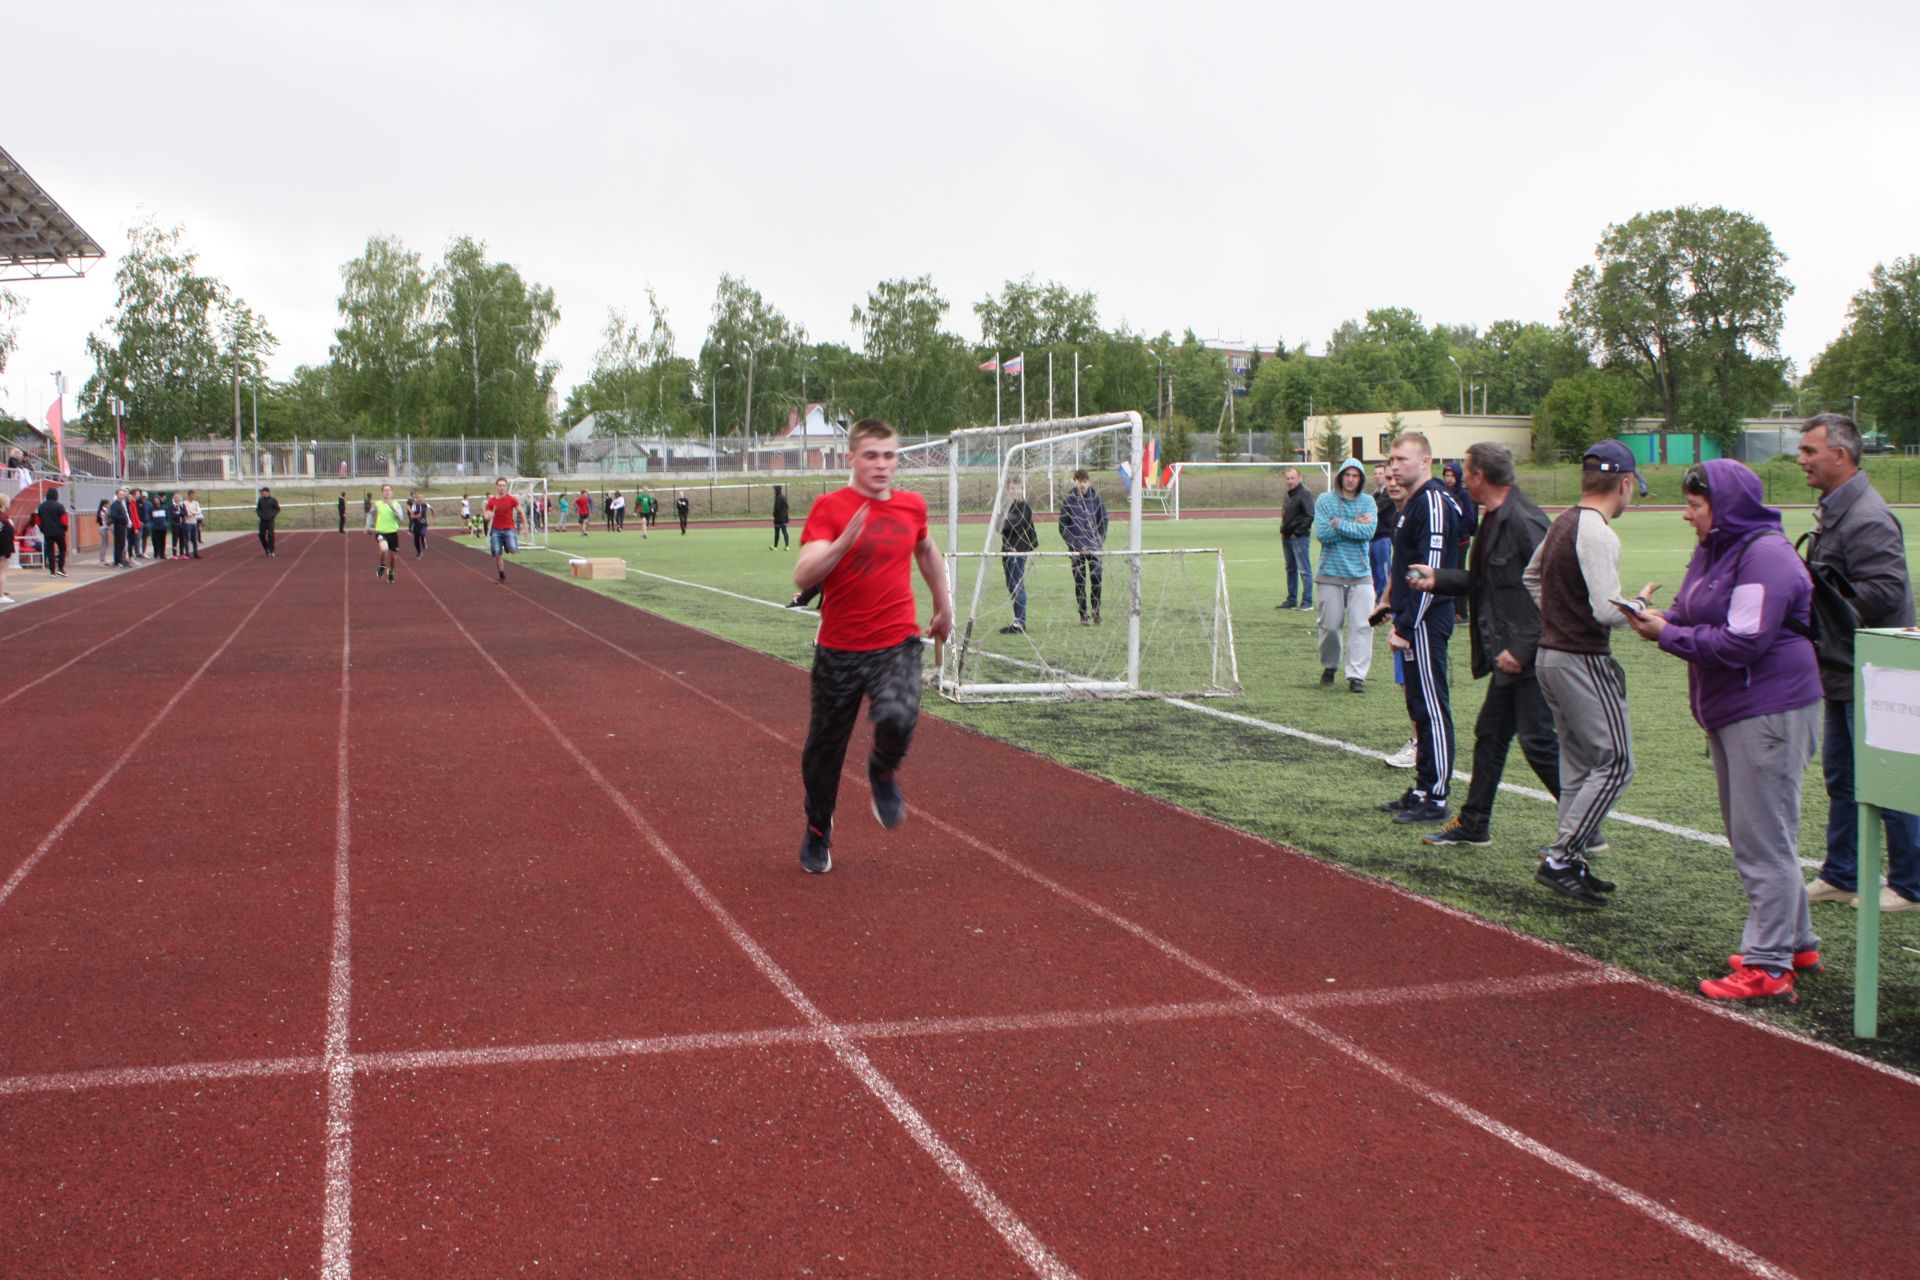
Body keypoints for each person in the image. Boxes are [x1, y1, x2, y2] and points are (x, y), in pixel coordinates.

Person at [1622, 460, 1824, 999]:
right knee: (1756, 833)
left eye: (1695, 504)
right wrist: (1660, 618)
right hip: (1738, 708)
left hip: (1769, 708)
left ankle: (1769, 965)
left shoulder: (1764, 554)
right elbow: (1698, 614)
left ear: (1725, 505)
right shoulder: (1721, 548)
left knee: (1762, 840)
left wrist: (1666, 635)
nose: (1687, 514)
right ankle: (1794, 941)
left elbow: (1743, 642)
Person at [793, 418, 953, 874]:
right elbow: (803, 575)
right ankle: (818, 830)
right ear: (851, 459)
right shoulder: (831, 507)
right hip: (839, 649)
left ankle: (882, 771)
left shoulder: (911, 507)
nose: (881, 465)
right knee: (823, 752)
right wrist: (843, 542)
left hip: (895, 641)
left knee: (899, 715)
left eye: (889, 455)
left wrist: (943, 607)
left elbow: (925, 550)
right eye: (871, 455)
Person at [1407, 442, 1560, 849]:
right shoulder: (1492, 517)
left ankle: (1584, 825)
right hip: (1508, 655)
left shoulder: (1526, 522)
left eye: (1466, 472)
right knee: (1490, 735)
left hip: (1528, 655)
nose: (1459, 477)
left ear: (1479, 477)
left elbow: (1552, 595)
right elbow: (1483, 583)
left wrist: (1523, 648)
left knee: (1539, 743)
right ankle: (1475, 823)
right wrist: (1438, 578)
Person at [1796, 412, 1919, 911]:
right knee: (1843, 777)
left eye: (1809, 451)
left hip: (1874, 671)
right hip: (1847, 666)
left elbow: (1887, 591)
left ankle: (1912, 883)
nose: (1801, 460)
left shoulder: (1865, 515)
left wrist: (1823, 600)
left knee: (1884, 776)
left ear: (1840, 456)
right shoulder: (1839, 508)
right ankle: (1843, 872)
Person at [1523, 439, 1649, 904]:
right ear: (1625, 484)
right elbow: (1603, 610)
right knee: (1616, 762)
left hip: (1549, 657)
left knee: (1577, 765)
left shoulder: (1562, 523)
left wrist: (1556, 616)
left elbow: (1529, 578)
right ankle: (1561, 857)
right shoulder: (1599, 532)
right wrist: (1638, 605)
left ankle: (1569, 862)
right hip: (1582, 660)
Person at [1373, 433, 1465, 824]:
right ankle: (1424, 786)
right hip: (1414, 618)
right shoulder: (1411, 505)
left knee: (1431, 706)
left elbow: (1428, 573)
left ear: (1425, 460)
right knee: (1418, 705)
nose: (1393, 466)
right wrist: (1390, 604)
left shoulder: (1432, 502)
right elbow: (1405, 567)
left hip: (1427, 620)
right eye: (1391, 459)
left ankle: (1438, 796)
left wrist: (1408, 625)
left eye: (1401, 459)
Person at [1312, 459, 1376, 691]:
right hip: (1330, 573)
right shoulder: (1325, 500)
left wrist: (1339, 524)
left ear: (1361, 479)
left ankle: (1356, 676)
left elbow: (1368, 532)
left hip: (1361, 575)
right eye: (1347, 474)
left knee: (1362, 625)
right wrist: (1352, 527)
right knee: (1329, 626)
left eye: (1355, 475)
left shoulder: (1368, 502)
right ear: (1340, 476)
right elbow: (1323, 534)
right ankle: (1330, 666)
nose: (1350, 479)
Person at [1059, 468, 1108, 625]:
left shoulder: (1097, 500)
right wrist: (1074, 545)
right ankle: (1082, 614)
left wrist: (1098, 542)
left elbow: (1103, 521)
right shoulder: (1068, 501)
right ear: (1075, 482)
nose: (1082, 484)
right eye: (1079, 481)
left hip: (1094, 548)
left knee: (1097, 578)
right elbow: (1063, 526)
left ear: (1089, 481)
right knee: (1080, 581)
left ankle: (1096, 610)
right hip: (1076, 550)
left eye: (1085, 481)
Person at [998, 475, 1038, 634]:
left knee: (1017, 585)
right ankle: (1017, 621)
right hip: (1007, 549)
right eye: (1012, 488)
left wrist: (1004, 522)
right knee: (1011, 585)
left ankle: (1020, 622)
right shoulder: (1007, 506)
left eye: (1018, 488)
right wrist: (1003, 522)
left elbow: (1016, 524)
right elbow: (997, 527)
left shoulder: (1024, 506)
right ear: (1008, 489)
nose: (1015, 491)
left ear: (1022, 489)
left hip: (1018, 550)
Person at [1279, 467, 1315, 610]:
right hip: (1286, 536)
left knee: (1304, 569)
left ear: (1300, 478)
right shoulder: (1288, 495)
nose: (1290, 481)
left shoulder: (1304, 494)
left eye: (1293, 478)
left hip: (1299, 538)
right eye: (1288, 478)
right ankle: (1291, 599)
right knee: (1291, 569)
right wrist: (1283, 529)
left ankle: (1307, 601)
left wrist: (1298, 532)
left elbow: (1310, 515)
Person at [484, 476, 520, 583]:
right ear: (496, 487)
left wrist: (526, 527)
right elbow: (486, 515)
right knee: (497, 554)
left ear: (506, 487)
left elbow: (521, 512)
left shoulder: (511, 499)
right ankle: (501, 575)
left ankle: (508, 546)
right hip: (496, 530)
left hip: (509, 528)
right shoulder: (492, 501)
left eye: (503, 485)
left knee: (513, 549)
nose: (502, 488)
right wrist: (489, 515)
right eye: (500, 485)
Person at [370, 482, 408, 583]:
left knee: (394, 557)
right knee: (384, 549)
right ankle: (382, 565)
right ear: (382, 492)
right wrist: (368, 525)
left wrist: (392, 507)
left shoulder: (396, 504)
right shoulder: (378, 504)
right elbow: (371, 514)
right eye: (385, 490)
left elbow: (401, 518)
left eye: (389, 490)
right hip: (381, 532)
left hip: (393, 533)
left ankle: (391, 572)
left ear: (392, 492)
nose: (387, 492)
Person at [1369, 465, 1395, 597]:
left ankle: (1386, 599)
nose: (1378, 476)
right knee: (1373, 571)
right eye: (1375, 473)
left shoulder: (1388, 493)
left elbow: (1374, 509)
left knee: (1383, 570)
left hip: (1383, 537)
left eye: (1381, 473)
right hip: (1372, 538)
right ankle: (1377, 597)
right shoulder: (1375, 493)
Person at [34, 485, 70, 577]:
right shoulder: (60, 506)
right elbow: (64, 520)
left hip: (47, 532)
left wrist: (42, 529)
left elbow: (38, 520)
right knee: (62, 549)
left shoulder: (41, 507)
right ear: (56, 495)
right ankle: (61, 568)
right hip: (59, 532)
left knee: (50, 550)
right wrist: (64, 529)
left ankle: (52, 571)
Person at [1444, 460, 1479, 543]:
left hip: (1461, 540)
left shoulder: (1464, 494)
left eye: (1452, 476)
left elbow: (1469, 518)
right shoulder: (1443, 492)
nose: (1449, 478)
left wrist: (1456, 531)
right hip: (1447, 540)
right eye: (1447, 475)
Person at [107, 487, 131, 567]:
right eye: (120, 495)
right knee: (119, 544)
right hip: (118, 526)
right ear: (117, 495)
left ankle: (120, 559)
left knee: (122, 543)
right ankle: (117, 561)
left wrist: (126, 520)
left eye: (123, 495)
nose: (122, 496)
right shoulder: (115, 505)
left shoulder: (121, 504)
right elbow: (114, 515)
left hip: (123, 526)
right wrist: (122, 518)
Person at [255, 486, 280, 558]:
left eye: (263, 492)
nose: (262, 493)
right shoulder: (260, 500)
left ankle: (271, 550)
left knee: (270, 535)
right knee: (261, 535)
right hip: (262, 521)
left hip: (270, 521)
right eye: (261, 492)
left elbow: (277, 509)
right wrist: (260, 515)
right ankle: (266, 548)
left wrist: (272, 515)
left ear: (267, 492)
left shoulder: (273, 500)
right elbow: (258, 509)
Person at [148, 489, 171, 561]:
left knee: (162, 541)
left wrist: (166, 523)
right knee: (155, 540)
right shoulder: (152, 509)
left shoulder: (164, 508)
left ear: (159, 500)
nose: (156, 501)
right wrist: (152, 524)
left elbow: (167, 516)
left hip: (162, 527)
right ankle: (156, 552)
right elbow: (150, 517)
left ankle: (162, 553)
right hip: (155, 527)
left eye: (157, 500)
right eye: (154, 500)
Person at [408, 490, 433, 558]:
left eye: (422, 497)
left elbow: (432, 509)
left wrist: (434, 517)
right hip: (416, 525)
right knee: (416, 539)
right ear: (417, 499)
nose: (421, 499)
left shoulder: (426, 505)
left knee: (422, 534)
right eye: (419, 497)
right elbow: (411, 516)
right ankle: (419, 552)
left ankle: (423, 542)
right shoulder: (414, 506)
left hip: (424, 524)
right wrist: (416, 516)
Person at [168, 491, 190, 559]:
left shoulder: (182, 505)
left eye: (179, 497)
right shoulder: (171, 505)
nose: (178, 499)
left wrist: (179, 513)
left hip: (183, 524)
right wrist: (180, 513)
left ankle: (182, 553)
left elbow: (185, 513)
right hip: (175, 524)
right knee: (175, 539)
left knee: (182, 539)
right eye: (176, 498)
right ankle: (174, 554)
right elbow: (173, 515)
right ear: (174, 498)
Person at [0, 499, 14, 603]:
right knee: (2, 571)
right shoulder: (5, 519)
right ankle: (1, 595)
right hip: (3, 548)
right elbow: (9, 533)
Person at [185, 490, 204, 558]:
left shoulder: (196, 503)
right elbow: (187, 512)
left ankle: (196, 553)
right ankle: (187, 553)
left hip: (194, 522)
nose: (193, 497)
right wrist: (193, 512)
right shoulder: (185, 503)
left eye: (194, 495)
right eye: (191, 495)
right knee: (187, 538)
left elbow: (199, 512)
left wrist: (192, 513)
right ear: (189, 495)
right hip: (187, 523)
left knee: (195, 539)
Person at [771, 484, 790, 549]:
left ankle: (775, 546)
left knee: (777, 532)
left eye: (774, 490)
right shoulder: (784, 497)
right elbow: (787, 507)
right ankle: (787, 546)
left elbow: (777, 508)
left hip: (778, 518)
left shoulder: (778, 497)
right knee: (785, 531)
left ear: (777, 490)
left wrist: (774, 514)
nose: (774, 491)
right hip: (784, 517)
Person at [95, 498, 112, 565]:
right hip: (104, 529)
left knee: (104, 545)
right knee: (104, 545)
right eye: (108, 504)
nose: (108, 505)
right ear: (105, 504)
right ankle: (102, 560)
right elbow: (108, 518)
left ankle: (102, 560)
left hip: (102, 528)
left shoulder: (101, 510)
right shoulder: (104, 511)